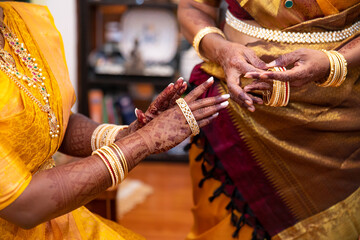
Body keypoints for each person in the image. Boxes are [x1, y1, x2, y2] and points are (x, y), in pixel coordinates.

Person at [0, 2, 230, 239]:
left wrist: (125, 134)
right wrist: (145, 140)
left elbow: (52, 123)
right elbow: (24, 206)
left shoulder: (22, 21)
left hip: (56, 222)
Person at [178, 0, 360, 239]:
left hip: (340, 121)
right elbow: (193, 7)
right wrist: (222, 51)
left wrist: (332, 63)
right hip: (233, 113)